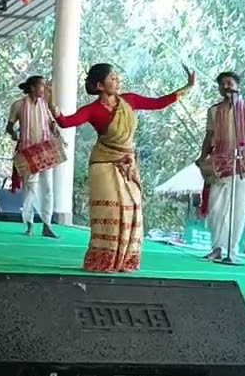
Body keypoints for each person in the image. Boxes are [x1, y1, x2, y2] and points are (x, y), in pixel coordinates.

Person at [52, 63, 193, 273]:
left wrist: (187, 87)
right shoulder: (92, 110)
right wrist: (50, 103)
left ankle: (125, 260)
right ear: (100, 85)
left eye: (117, 78)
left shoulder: (129, 101)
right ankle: (103, 260)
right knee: (111, 212)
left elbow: (158, 103)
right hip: (103, 164)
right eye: (113, 78)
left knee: (131, 209)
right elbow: (65, 122)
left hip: (127, 162)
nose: (117, 81)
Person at [197, 71, 245, 265]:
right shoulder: (213, 111)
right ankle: (217, 248)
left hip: (243, 162)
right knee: (215, 207)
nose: (226, 87)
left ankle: (231, 250)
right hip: (220, 162)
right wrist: (203, 157)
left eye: (229, 83)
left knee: (238, 208)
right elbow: (208, 136)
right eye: (222, 84)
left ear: (238, 86)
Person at [5, 75, 65, 238]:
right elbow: (9, 126)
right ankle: (29, 224)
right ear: (32, 88)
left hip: (45, 151)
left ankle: (47, 224)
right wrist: (13, 135)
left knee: (47, 189)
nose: (43, 89)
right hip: (28, 151)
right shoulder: (18, 105)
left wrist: (56, 130)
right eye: (41, 86)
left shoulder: (45, 105)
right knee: (30, 188)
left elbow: (52, 123)